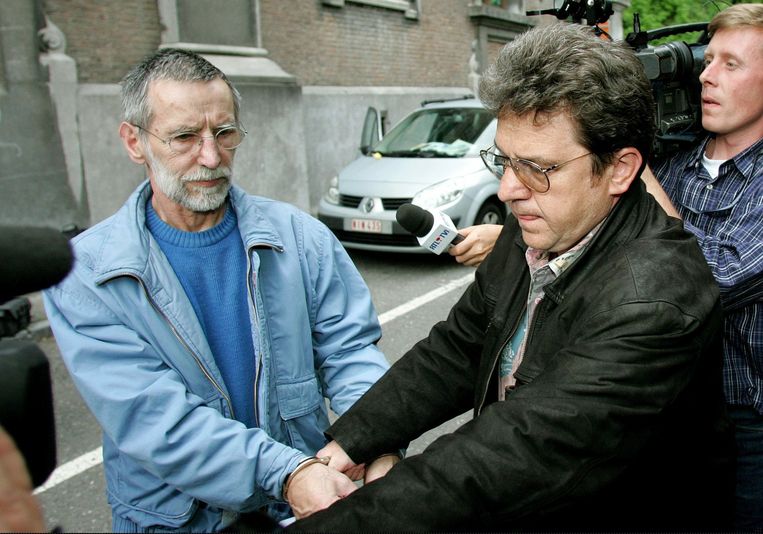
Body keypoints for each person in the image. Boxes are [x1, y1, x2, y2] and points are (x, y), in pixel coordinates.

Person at [289, 23, 735, 531]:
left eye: (538, 168)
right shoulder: (537, 225)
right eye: (504, 160)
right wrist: (351, 443)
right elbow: (458, 348)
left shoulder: (655, 300)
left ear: (619, 169)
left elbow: (516, 450)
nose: (507, 190)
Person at [42, 48, 391, 532]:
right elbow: (154, 419)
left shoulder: (301, 237)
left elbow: (349, 352)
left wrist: (376, 439)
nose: (211, 157)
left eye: (224, 133)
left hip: (307, 506)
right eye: (184, 137)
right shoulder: (87, 272)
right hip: (176, 522)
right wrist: (287, 472)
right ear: (134, 141)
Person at [641, 3, 763, 528]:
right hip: (664, 410)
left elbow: (712, 280)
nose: (707, 76)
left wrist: (637, 174)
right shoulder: (675, 162)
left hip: (747, 426)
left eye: (731, 64)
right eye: (708, 60)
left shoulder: (653, 173)